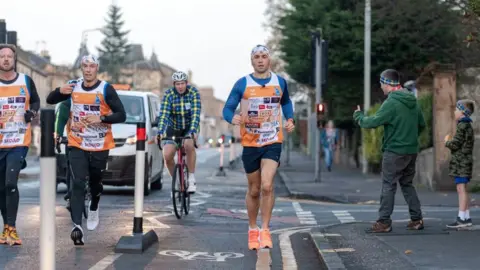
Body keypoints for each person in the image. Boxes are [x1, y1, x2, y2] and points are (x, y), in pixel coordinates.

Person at [46, 55, 126, 245]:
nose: (88, 69)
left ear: (97, 68)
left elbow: (122, 115)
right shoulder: (73, 86)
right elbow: (51, 100)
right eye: (85, 66)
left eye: (92, 66)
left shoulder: (106, 88)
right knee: (77, 183)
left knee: (96, 182)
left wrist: (102, 119)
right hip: (76, 143)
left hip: (99, 143)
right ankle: (76, 226)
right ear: (81, 68)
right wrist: (59, 90)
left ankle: (94, 206)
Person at [222, 44, 295, 250]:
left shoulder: (279, 82)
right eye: (257, 57)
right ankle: (252, 229)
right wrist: (232, 117)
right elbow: (227, 108)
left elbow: (286, 102)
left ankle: (265, 229)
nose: (261, 60)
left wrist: (290, 119)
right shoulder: (242, 84)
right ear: (252, 61)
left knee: (267, 185)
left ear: (269, 60)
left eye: (264, 56)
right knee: (254, 190)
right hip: (251, 142)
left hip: (272, 140)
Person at [353, 69, 425, 233]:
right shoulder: (413, 101)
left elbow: (372, 122)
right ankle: (417, 219)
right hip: (411, 150)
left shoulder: (391, 102)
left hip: (394, 151)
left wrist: (358, 116)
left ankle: (384, 222)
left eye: (381, 83)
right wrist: (410, 138)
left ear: (388, 83)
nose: (381, 86)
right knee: (407, 184)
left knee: (388, 185)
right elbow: (421, 124)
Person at [0, 44, 40, 246]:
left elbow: (36, 103)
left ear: (14, 60)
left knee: (10, 183)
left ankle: (12, 227)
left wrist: (31, 113)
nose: (6, 59)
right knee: (1, 187)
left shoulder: (26, 81)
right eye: (2, 57)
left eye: (9, 56)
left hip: (18, 141)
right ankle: (5, 227)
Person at [156, 71, 201, 193]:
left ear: (187, 83)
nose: (180, 86)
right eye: (177, 84)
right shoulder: (169, 95)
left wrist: (192, 131)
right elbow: (164, 115)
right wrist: (160, 132)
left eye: (182, 83)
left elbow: (196, 114)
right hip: (173, 127)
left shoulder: (193, 93)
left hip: (189, 126)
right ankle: (176, 181)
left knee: (188, 145)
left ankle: (191, 178)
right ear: (174, 84)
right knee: (167, 155)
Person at [445, 100, 475, 228]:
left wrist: (447, 142)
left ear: (463, 112)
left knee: (461, 189)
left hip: (461, 162)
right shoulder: (467, 125)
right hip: (464, 161)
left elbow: (456, 144)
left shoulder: (462, 126)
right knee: (463, 189)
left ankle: (461, 218)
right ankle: (466, 216)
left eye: (456, 110)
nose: (454, 112)